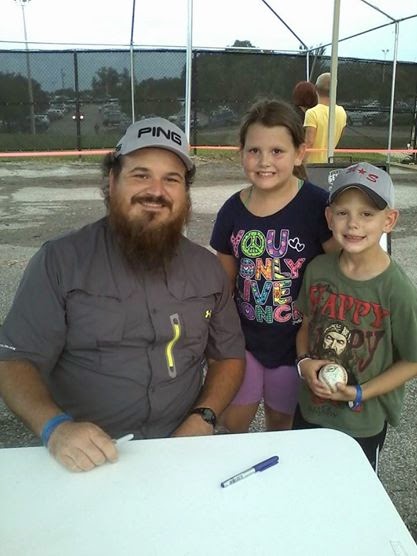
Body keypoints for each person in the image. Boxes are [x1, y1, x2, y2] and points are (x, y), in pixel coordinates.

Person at [0, 117, 245, 472]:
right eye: (141, 175)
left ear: (185, 194)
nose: (156, 191)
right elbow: (14, 360)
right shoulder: (60, 262)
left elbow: (228, 357)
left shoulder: (207, 269)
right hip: (89, 458)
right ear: (112, 181)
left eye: (171, 179)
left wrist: (203, 418)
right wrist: (55, 428)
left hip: (182, 449)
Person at [210, 99, 339, 433]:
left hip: (297, 344)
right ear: (241, 152)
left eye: (277, 151)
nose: (264, 161)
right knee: (231, 424)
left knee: (281, 426)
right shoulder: (232, 211)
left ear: (300, 153)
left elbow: (341, 268)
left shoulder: (318, 206)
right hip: (244, 342)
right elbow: (222, 285)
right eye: (254, 150)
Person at [294, 162, 417, 470]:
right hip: (310, 410)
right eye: (342, 212)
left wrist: (360, 392)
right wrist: (304, 363)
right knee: (303, 482)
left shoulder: (397, 289)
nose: (353, 224)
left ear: (389, 220)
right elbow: (306, 325)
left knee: (353, 493)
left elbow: (412, 361)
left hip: (362, 424)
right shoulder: (318, 269)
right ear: (329, 217)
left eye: (367, 214)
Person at [304, 72, 347, 164]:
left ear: (315, 88)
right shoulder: (341, 112)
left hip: (312, 164)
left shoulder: (312, 113)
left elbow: (309, 142)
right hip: (329, 162)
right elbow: (341, 134)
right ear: (334, 89)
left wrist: (300, 161)